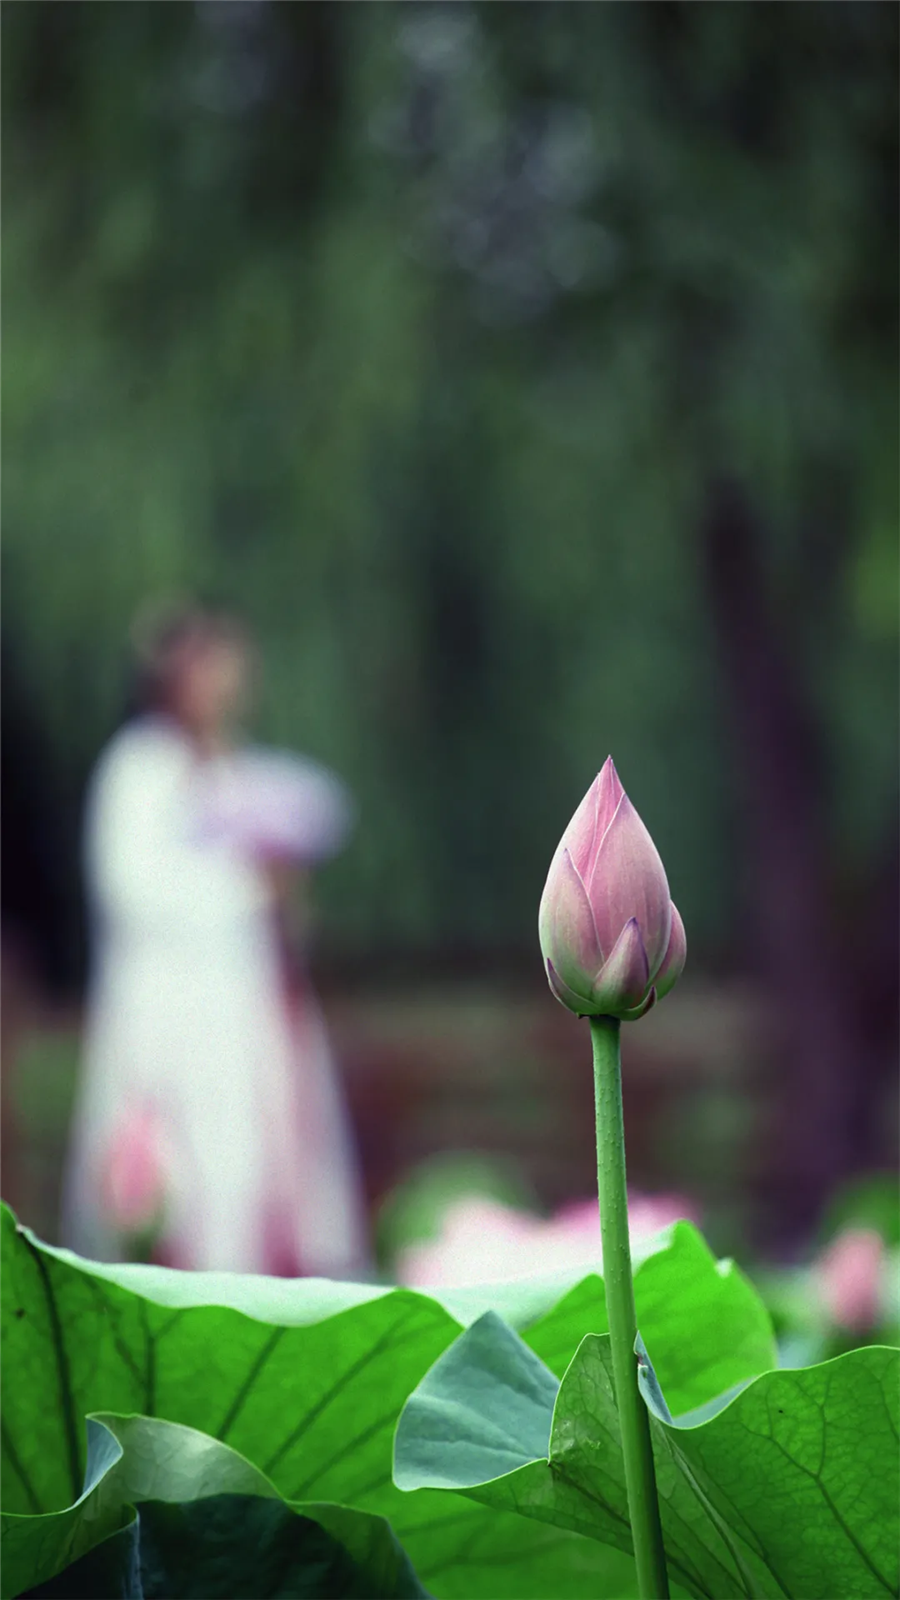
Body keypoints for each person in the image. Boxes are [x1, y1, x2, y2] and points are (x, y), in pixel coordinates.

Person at [61, 601, 367, 1276]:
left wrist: (282, 900)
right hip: (176, 1001)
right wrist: (249, 890)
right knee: (184, 1157)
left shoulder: (236, 767)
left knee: (265, 1151)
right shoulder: (139, 769)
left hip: (250, 999)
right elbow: (133, 887)